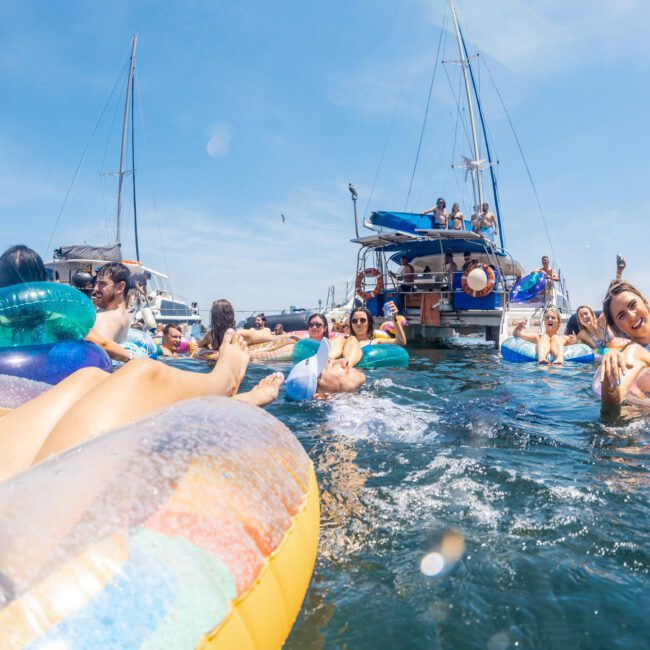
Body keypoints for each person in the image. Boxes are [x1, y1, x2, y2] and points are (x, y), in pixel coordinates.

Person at [0, 330, 285, 483]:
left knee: (89, 379)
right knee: (145, 374)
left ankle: (223, 393)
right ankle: (224, 382)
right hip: (21, 539)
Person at [598, 281, 650, 406]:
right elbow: (615, 399)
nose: (631, 316)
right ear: (617, 327)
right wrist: (610, 380)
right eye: (622, 316)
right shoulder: (634, 351)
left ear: (644, 301)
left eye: (633, 305)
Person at [285, 339, 366, 401]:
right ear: (320, 396)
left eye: (333, 361)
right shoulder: (344, 420)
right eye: (332, 365)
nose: (345, 360)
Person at [85, 262, 133, 363]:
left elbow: (97, 350)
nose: (95, 288)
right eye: (96, 283)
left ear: (120, 287)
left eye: (102, 284)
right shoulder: (123, 315)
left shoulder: (109, 317)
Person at [343, 302, 406, 366]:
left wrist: (394, 318)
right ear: (351, 324)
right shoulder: (344, 340)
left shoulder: (375, 342)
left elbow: (400, 341)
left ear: (369, 323)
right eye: (354, 321)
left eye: (362, 320)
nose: (358, 323)